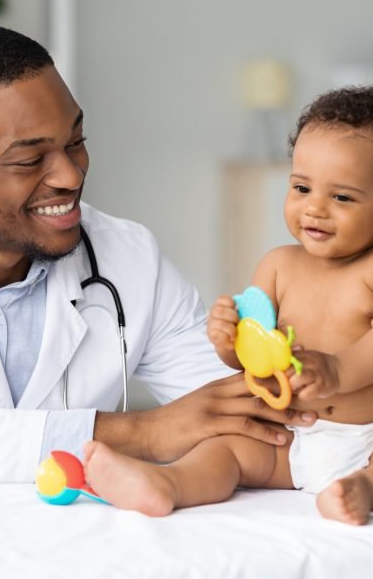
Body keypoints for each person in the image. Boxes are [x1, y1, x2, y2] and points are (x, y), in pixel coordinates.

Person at [0, 25, 316, 484]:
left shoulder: (129, 259)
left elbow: (235, 412)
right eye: (29, 160)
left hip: (83, 543)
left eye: (76, 141)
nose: (70, 175)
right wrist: (141, 433)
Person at [82, 86, 373, 526]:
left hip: (363, 439)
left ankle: (360, 488)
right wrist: (227, 341)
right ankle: (167, 485)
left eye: (342, 197)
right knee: (224, 450)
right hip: (290, 436)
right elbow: (251, 358)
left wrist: (334, 371)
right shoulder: (278, 265)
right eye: (301, 187)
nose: (314, 208)